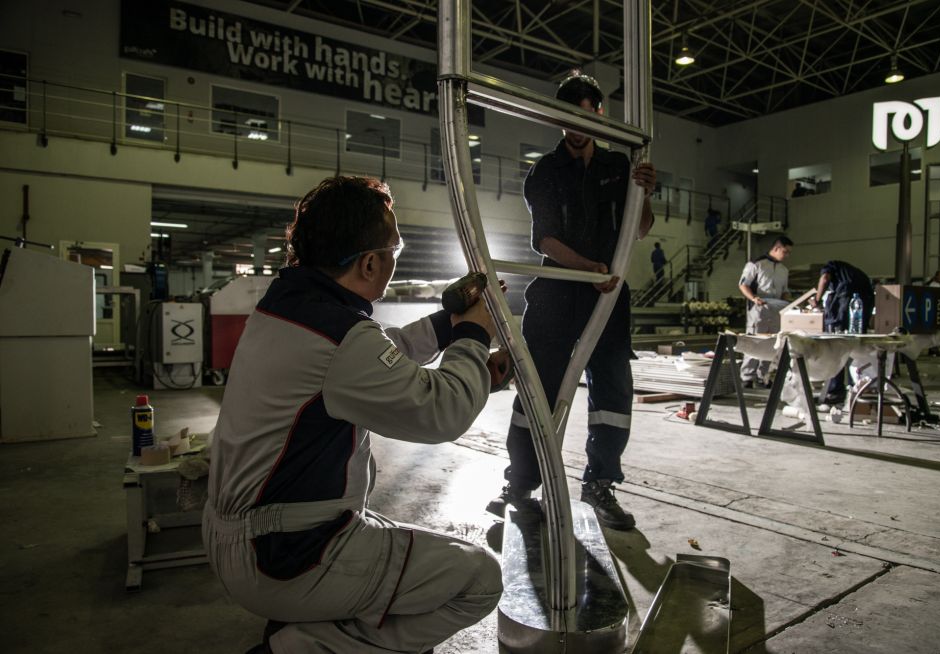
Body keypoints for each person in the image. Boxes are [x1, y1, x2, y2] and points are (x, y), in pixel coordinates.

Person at [202, 176, 502, 654]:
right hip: (283, 555)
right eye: (395, 247)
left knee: (384, 529)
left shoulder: (288, 308)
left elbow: (384, 354)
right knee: (480, 579)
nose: (394, 257)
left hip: (246, 533)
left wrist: (451, 325)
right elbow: (442, 413)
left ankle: (305, 627)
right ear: (369, 262)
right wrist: (472, 338)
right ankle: (301, 646)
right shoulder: (341, 337)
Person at [486, 72, 656, 531]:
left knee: (614, 392)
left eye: (586, 113)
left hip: (608, 296)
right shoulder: (545, 171)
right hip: (559, 293)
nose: (577, 125)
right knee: (538, 390)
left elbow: (640, 229)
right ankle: (521, 483)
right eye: (567, 116)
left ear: (598, 115)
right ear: (556, 119)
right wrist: (587, 268)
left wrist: (645, 192)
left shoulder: (620, 167)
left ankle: (600, 485)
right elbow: (544, 239)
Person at [809, 260, 875, 402]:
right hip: (865, 303)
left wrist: (817, 299)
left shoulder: (830, 266)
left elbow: (824, 278)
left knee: (836, 344)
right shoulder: (852, 271)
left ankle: (835, 391)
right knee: (854, 345)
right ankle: (856, 387)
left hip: (847, 300)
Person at [737, 235, 793, 388]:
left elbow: (784, 291)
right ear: (776, 248)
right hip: (759, 308)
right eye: (785, 252)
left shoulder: (783, 270)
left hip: (777, 309)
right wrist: (754, 298)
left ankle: (764, 376)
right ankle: (747, 377)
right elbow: (743, 285)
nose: (787, 255)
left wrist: (790, 300)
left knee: (772, 343)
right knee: (754, 341)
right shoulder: (756, 264)